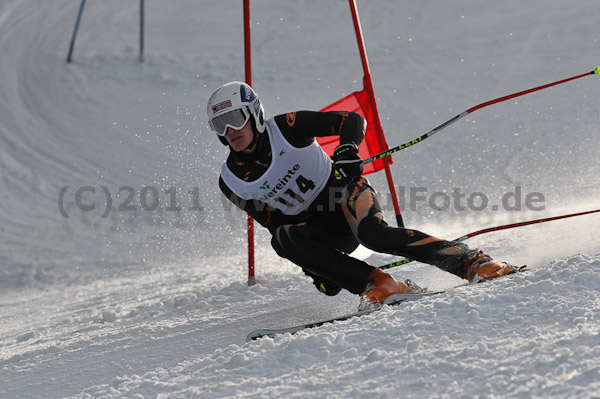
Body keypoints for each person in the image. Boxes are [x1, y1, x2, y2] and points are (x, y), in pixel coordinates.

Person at [207, 81, 516, 309]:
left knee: (373, 234)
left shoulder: (286, 127)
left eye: (237, 118)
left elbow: (351, 121)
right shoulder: (231, 180)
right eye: (222, 124)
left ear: (255, 114)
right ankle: (380, 283)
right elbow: (273, 223)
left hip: (344, 192)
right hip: (320, 228)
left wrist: (346, 150)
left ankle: (471, 262)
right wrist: (316, 268)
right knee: (282, 239)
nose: (231, 130)